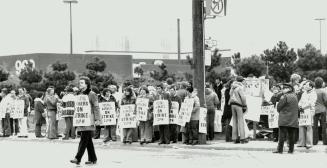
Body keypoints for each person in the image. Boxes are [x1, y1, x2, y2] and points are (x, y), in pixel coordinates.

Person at [70, 76, 100, 166]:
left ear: (87, 84)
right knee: (88, 140)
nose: (80, 84)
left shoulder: (92, 94)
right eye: (79, 83)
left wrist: (97, 119)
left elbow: (96, 107)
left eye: (82, 83)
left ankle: (77, 158)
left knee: (83, 139)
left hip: (89, 120)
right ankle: (93, 158)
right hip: (81, 120)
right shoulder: (79, 94)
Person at [273, 83, 299, 154]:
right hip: (293, 119)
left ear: (289, 89)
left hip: (284, 118)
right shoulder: (295, 96)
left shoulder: (284, 96)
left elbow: (278, 107)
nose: (283, 90)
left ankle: (280, 150)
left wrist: (281, 112)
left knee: (281, 136)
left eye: (284, 88)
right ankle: (291, 150)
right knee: (291, 136)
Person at [229, 76, 248, 144]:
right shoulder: (240, 87)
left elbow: (230, 94)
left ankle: (235, 138)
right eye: (243, 80)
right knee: (240, 120)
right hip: (238, 104)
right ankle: (242, 138)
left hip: (232, 104)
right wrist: (245, 105)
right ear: (241, 81)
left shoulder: (232, 87)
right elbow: (243, 97)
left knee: (234, 121)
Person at [298, 80, 316, 149]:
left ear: (311, 86)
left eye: (306, 85)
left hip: (309, 111)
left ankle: (309, 143)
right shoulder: (304, 93)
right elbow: (300, 101)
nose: (305, 86)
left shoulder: (314, 93)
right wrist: (299, 105)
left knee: (308, 126)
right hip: (303, 111)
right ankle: (301, 143)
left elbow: (311, 103)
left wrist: (303, 107)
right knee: (301, 126)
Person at [313, 77, 327, 145]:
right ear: (321, 83)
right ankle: (325, 141)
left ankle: (315, 141)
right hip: (322, 110)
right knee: (324, 125)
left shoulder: (313, 91)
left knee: (315, 126)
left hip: (315, 110)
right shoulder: (323, 91)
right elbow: (326, 101)